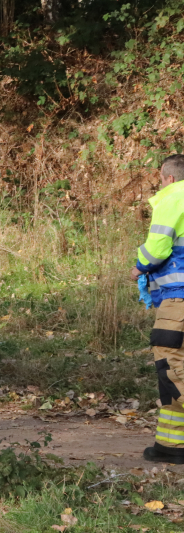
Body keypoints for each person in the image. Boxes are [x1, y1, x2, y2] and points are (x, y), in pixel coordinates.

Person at [131, 154, 184, 463]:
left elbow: (157, 248)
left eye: (161, 180)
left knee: (170, 365)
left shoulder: (174, 197)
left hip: (178, 299)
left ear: (169, 178)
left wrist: (139, 267)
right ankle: (171, 445)